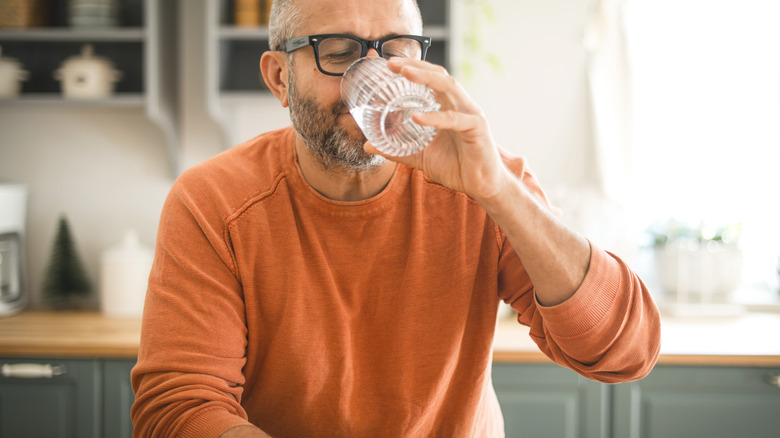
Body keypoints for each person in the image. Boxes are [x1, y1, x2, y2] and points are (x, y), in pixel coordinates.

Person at [130, 0, 661, 436]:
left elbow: (624, 353)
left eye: (397, 51)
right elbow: (177, 408)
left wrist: (499, 191)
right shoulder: (214, 202)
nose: (373, 75)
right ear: (279, 78)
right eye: (338, 53)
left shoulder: (485, 182)